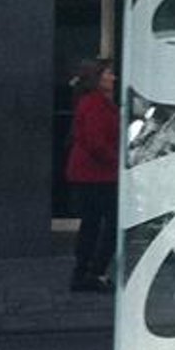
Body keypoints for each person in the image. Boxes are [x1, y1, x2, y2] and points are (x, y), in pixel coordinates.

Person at [65, 57, 120, 292]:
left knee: (93, 224)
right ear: (97, 78)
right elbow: (96, 142)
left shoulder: (96, 102)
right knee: (107, 224)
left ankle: (86, 272)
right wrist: (118, 161)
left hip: (93, 174)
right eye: (108, 73)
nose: (113, 77)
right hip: (96, 175)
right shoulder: (95, 104)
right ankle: (93, 272)